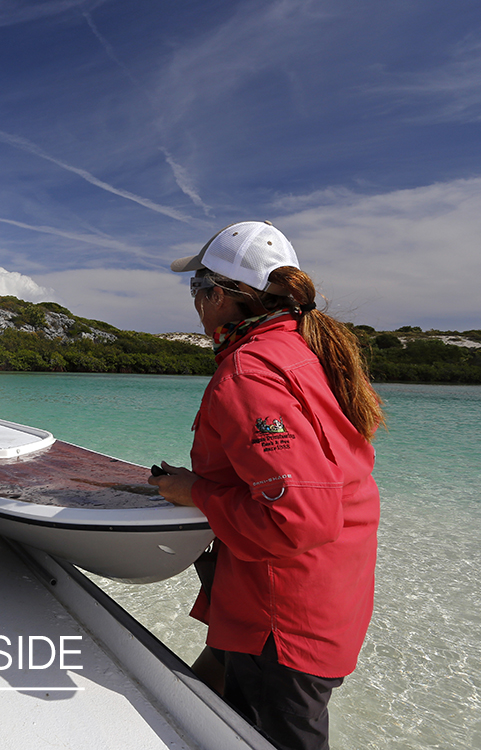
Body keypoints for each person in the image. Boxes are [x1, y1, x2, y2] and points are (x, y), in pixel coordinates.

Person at [150, 221, 384, 750]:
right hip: (324, 599)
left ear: (220, 297)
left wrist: (194, 493)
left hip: (281, 622)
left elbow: (297, 518)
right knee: (218, 703)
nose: (194, 303)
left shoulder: (249, 373)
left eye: (196, 290)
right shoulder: (305, 353)